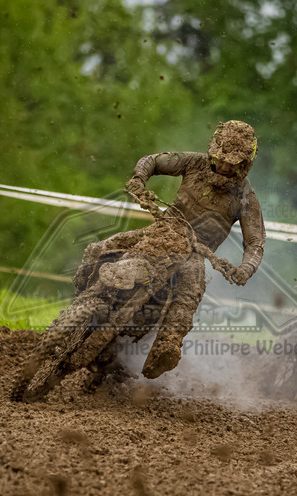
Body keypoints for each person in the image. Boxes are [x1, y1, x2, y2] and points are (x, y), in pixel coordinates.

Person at [73, 120, 266, 379]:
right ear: (212, 152)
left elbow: (255, 242)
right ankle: (80, 303)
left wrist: (245, 269)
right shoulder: (193, 163)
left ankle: (166, 347)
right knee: (100, 249)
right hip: (163, 231)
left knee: (186, 300)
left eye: (231, 163)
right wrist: (139, 179)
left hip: (196, 254)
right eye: (220, 158)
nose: (223, 166)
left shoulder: (245, 197)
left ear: (244, 165)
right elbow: (152, 160)